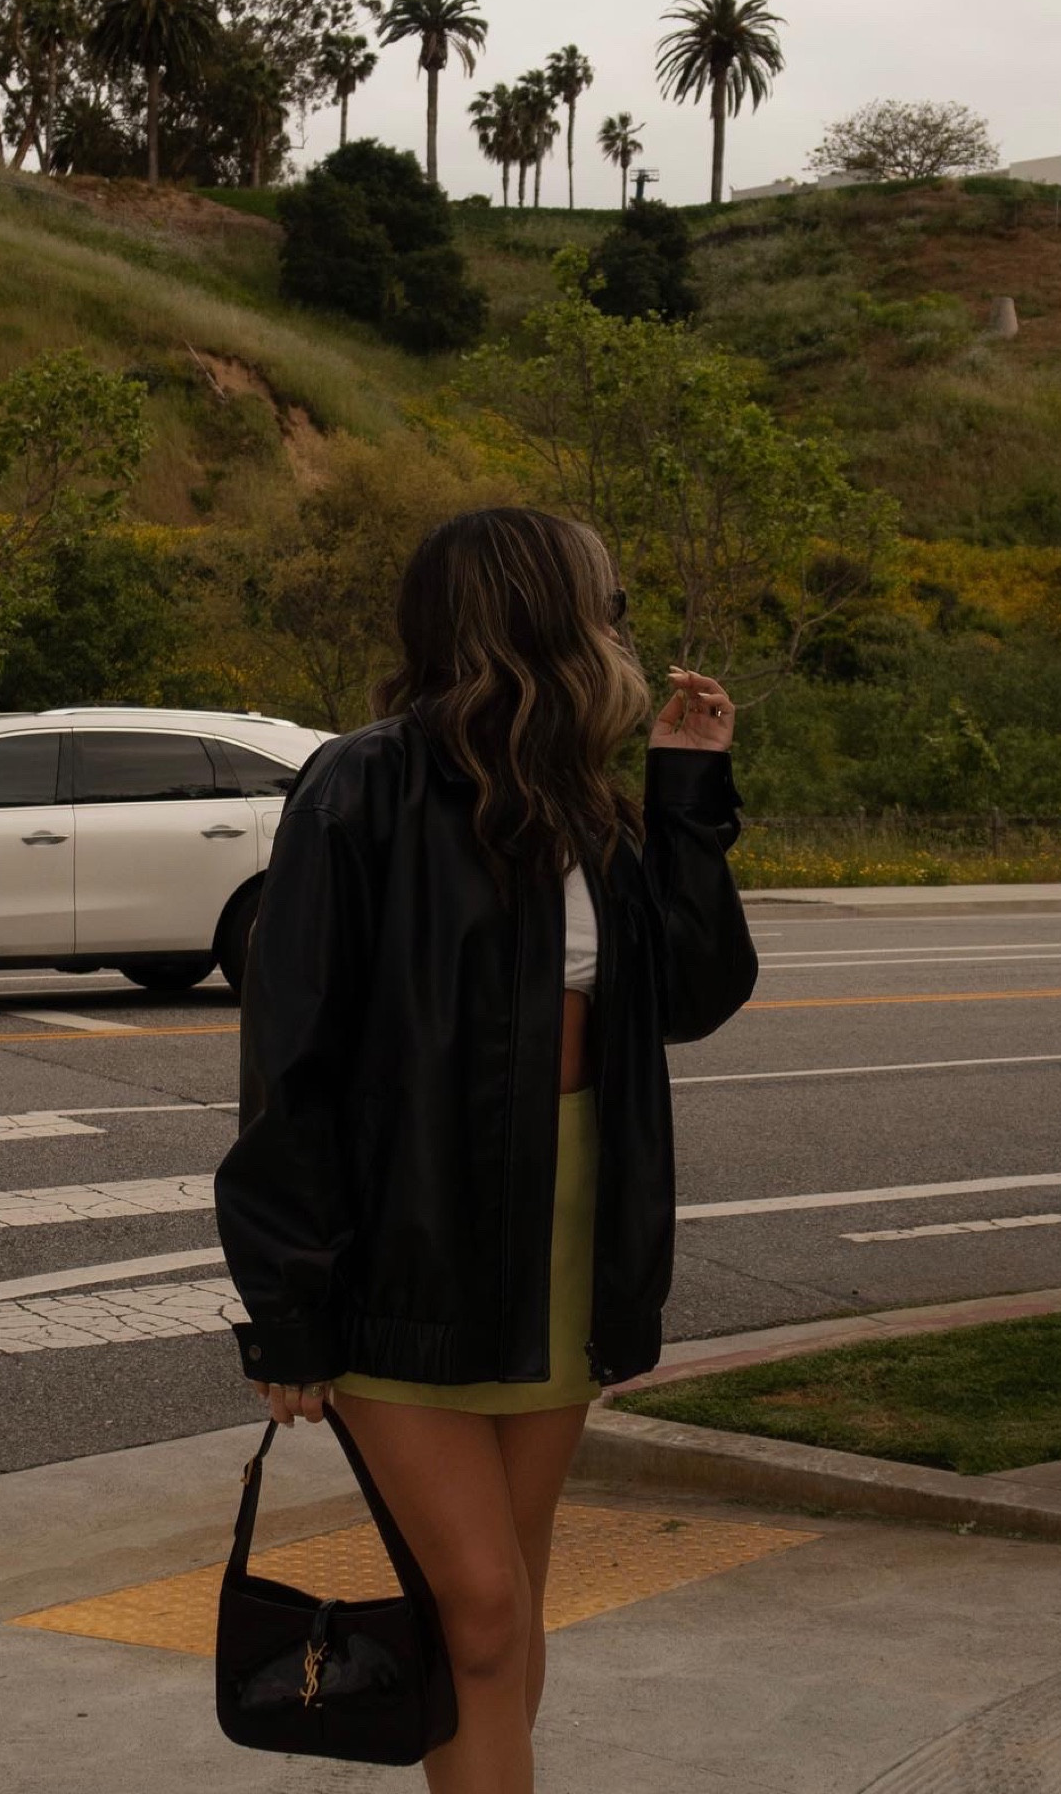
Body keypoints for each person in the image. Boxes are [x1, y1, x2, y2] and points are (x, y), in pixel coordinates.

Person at [214, 505, 758, 1794]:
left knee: (509, 1604)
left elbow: (693, 993)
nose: (623, 629)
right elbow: (289, 1057)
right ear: (534, 622)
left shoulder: (595, 807)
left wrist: (687, 797)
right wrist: (289, 1306)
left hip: (570, 1232)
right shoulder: (364, 785)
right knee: (479, 1604)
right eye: (603, 603)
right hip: (409, 1243)